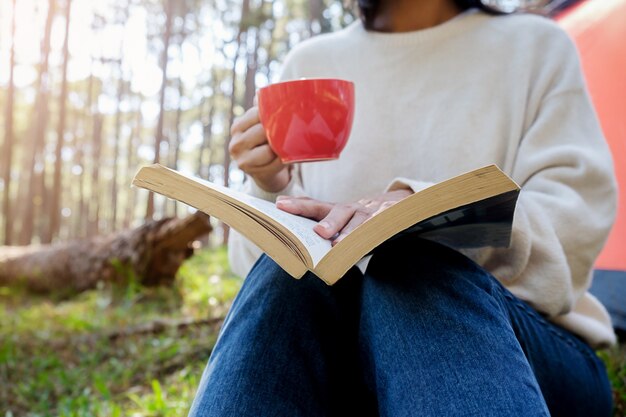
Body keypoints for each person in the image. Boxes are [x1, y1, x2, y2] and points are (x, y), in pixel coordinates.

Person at [188, 0, 618, 415]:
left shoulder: (535, 45)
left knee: (408, 266)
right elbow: (256, 281)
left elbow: (573, 229)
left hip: (524, 350)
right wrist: (268, 185)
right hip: (341, 362)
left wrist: (416, 212)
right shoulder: (310, 65)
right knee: (288, 273)